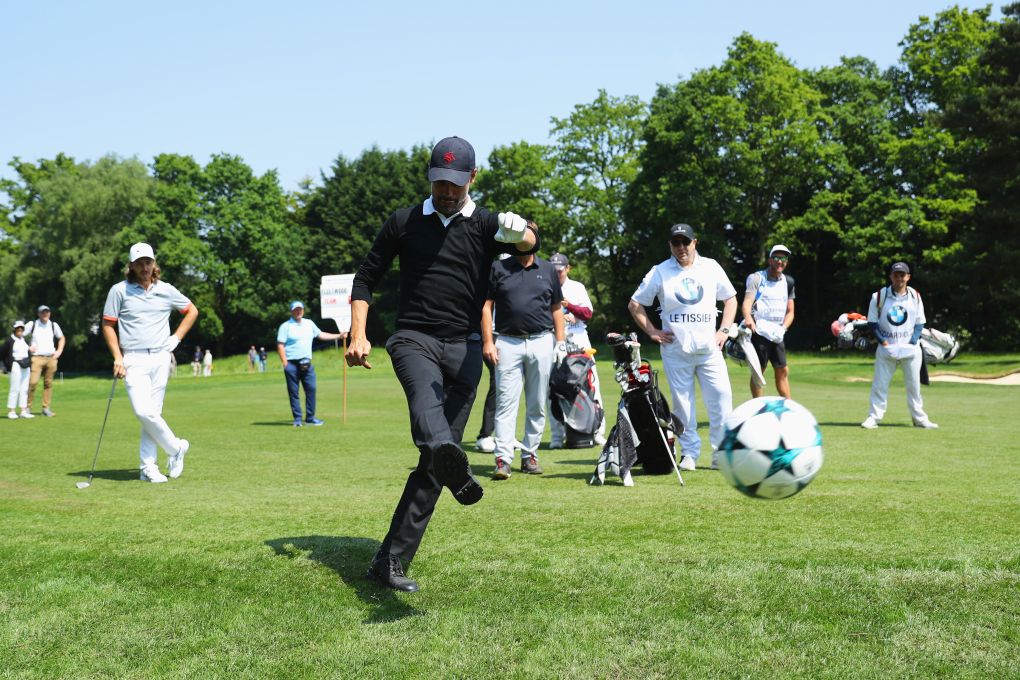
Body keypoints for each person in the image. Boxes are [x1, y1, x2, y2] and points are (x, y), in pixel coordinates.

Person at [346, 136, 538, 592]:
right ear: (429, 177)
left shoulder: (486, 224)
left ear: (473, 178)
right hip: (414, 338)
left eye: (456, 184)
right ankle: (454, 466)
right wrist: (358, 334)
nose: (447, 192)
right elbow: (365, 278)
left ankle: (388, 562)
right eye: (439, 183)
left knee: (436, 460)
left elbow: (532, 240)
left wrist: (521, 230)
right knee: (430, 420)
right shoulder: (405, 222)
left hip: (467, 347)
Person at [628, 223, 737, 471]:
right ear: (670, 245)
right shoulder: (660, 271)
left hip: (710, 349)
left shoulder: (710, 267)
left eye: (685, 242)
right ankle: (689, 453)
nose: (681, 247)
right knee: (683, 404)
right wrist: (652, 331)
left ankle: (721, 452)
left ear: (694, 242)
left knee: (721, 397)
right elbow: (635, 304)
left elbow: (730, 299)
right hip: (676, 350)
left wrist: (725, 330)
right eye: (675, 243)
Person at [102, 242, 198, 483]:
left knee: (152, 414)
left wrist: (176, 338)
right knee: (144, 412)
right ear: (131, 266)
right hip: (132, 357)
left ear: (154, 264)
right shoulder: (119, 291)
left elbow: (192, 311)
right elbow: (108, 325)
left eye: (148, 262)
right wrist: (117, 357)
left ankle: (148, 468)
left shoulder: (166, 289)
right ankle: (176, 448)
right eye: (139, 263)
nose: (144, 267)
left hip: (160, 357)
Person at [483, 243, 565, 479]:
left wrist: (560, 342)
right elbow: (486, 307)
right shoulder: (499, 268)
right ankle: (503, 459)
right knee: (506, 402)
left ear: (535, 242)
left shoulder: (548, 269)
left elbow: (557, 308)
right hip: (507, 341)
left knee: (537, 403)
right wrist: (488, 341)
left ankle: (530, 455)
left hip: (541, 340)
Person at [861, 262, 938, 430]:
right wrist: (884, 342)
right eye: (896, 275)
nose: (899, 278)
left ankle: (919, 418)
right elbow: (872, 323)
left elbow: (919, 323)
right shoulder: (879, 296)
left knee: (914, 386)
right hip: (886, 348)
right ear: (891, 276)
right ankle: (874, 417)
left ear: (908, 277)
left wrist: (911, 342)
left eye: (902, 275)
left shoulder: (915, 296)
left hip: (910, 349)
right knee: (879, 385)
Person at [548, 252, 606, 448]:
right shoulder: (545, 284)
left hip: (579, 338)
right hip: (555, 340)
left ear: (568, 268)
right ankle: (557, 436)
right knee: (554, 388)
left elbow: (588, 313)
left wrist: (569, 306)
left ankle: (596, 430)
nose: (557, 274)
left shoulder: (576, 287)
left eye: (561, 270)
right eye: (554, 270)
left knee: (591, 384)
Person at [276, 301, 345, 426]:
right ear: (291, 311)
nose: (298, 311)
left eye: (300, 309)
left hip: (306, 363)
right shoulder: (285, 326)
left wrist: (339, 336)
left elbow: (321, 334)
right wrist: (285, 363)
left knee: (311, 389)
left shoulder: (309, 323)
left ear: (303, 310)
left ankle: (310, 417)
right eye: (295, 309)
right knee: (293, 392)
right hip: (291, 364)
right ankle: (297, 419)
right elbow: (280, 345)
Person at [741, 244, 796, 398]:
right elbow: (746, 304)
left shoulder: (788, 282)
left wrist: (783, 329)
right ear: (770, 260)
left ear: (787, 261)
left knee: (782, 370)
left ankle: (788, 405)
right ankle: (759, 405)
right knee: (759, 372)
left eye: (783, 258)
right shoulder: (757, 278)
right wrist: (748, 319)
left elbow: (790, 312)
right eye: (777, 257)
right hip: (759, 331)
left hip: (777, 333)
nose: (780, 261)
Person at [24, 305, 65, 416]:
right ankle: (27, 407)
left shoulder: (53, 325)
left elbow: (61, 338)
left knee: (48, 383)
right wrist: (28, 347)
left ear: (50, 313)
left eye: (47, 312)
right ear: (38, 314)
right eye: (43, 312)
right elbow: (19, 336)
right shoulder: (32, 324)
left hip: (51, 358)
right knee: (33, 383)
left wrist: (59, 351)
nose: (45, 314)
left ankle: (46, 408)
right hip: (36, 358)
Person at [3, 321, 33, 419]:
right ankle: (11, 411)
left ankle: (23, 411)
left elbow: (28, 351)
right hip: (15, 365)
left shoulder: (24, 340)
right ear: (14, 329)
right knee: (14, 388)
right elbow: (2, 353)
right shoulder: (9, 340)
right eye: (18, 329)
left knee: (24, 389)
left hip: (25, 365)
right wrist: (6, 366)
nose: (20, 330)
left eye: (21, 329)